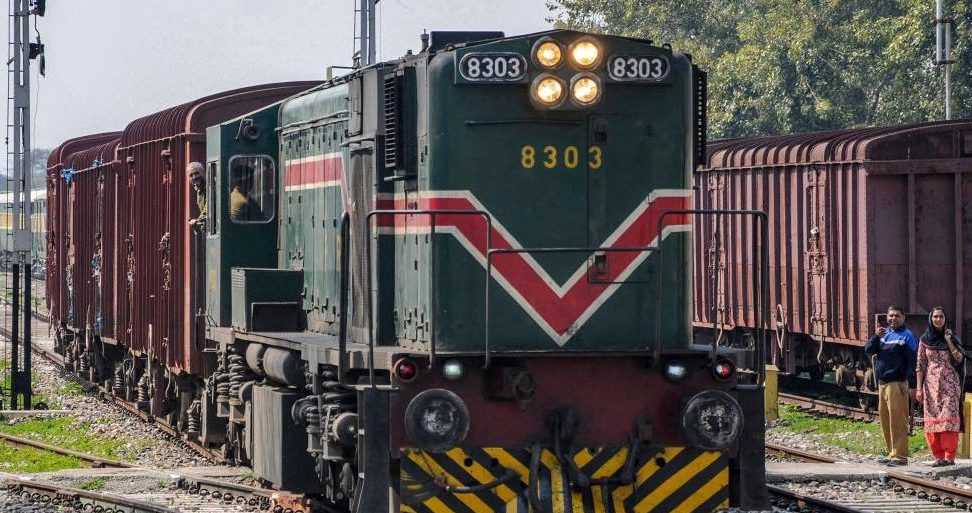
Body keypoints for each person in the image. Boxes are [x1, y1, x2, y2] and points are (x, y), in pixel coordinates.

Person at [864, 305, 918, 466]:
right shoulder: (884, 335)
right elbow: (868, 349)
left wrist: (912, 385)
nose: (893, 318)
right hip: (883, 384)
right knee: (886, 420)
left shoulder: (907, 336)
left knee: (898, 421)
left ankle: (900, 456)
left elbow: (912, 362)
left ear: (903, 318)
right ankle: (891, 453)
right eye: (891, 316)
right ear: (887, 317)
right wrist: (876, 336)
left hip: (897, 383)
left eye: (897, 316)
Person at [917, 306, 965, 466]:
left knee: (948, 419)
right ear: (931, 319)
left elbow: (959, 359)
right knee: (932, 418)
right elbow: (920, 365)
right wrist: (919, 388)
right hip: (930, 386)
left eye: (941, 317)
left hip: (950, 384)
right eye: (935, 317)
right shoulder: (924, 339)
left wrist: (948, 341)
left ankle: (949, 457)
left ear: (945, 319)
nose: (938, 319)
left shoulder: (952, 337)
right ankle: (938, 456)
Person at [187, 162, 206, 228]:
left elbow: (209, 207)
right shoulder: (199, 188)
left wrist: (199, 220)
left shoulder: (210, 186)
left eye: (196, 173)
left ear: (203, 172)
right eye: (191, 175)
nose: (194, 177)